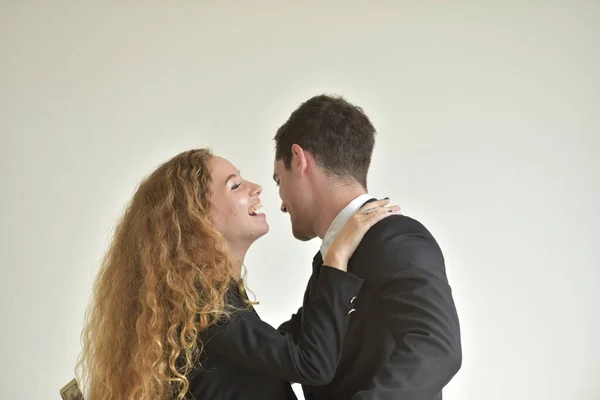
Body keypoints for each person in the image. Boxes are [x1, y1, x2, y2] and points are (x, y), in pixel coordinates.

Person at [76, 148, 400, 400]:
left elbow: (280, 348)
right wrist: (336, 258)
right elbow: (311, 365)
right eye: (235, 185)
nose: (257, 188)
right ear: (197, 218)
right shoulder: (207, 307)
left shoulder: (209, 302)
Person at [271, 94, 462, 399]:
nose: (281, 203)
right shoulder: (331, 261)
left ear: (299, 159)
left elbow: (437, 346)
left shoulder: (396, 237)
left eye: (278, 180)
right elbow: (293, 346)